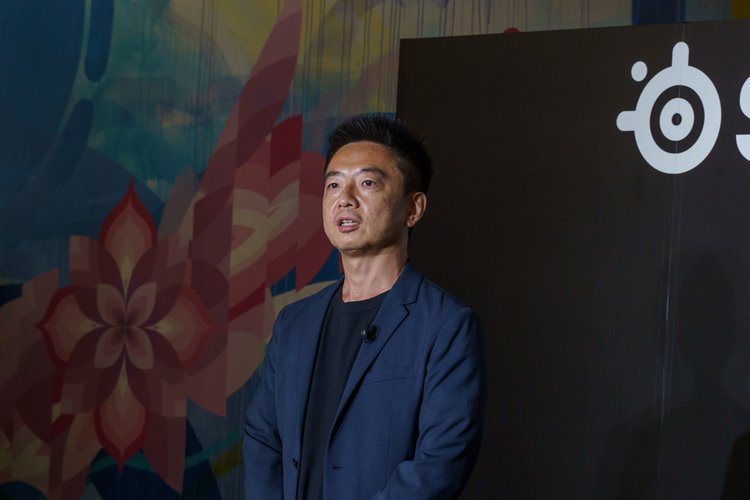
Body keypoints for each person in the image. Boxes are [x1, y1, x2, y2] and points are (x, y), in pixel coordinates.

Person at [243, 113, 486, 499]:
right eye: (334, 184)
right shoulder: (293, 322)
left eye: (367, 183)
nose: (345, 198)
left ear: (414, 208)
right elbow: (262, 438)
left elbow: (439, 464)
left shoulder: (446, 325)